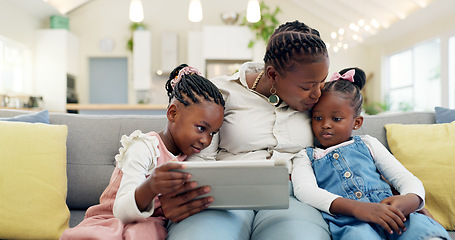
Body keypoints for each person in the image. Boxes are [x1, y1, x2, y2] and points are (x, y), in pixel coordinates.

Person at [163, 20, 332, 240]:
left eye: (321, 82)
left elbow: (345, 145)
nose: (317, 93)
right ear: (272, 75)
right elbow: (199, 157)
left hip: (295, 197)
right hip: (224, 194)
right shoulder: (221, 91)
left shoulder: (321, 100)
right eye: (306, 87)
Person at [59, 64, 225, 240]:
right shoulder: (144, 147)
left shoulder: (190, 158)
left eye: (212, 133)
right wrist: (151, 186)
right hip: (111, 221)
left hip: (148, 225)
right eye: (201, 128)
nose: (206, 140)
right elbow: (121, 210)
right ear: (173, 114)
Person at [291, 67, 452, 240]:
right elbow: (305, 191)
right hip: (350, 221)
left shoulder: (368, 143)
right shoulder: (305, 157)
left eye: (336, 119)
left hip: (392, 213)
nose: (326, 125)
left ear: (357, 122)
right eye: (318, 118)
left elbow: (405, 178)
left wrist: (411, 199)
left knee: (421, 229)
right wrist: (357, 208)